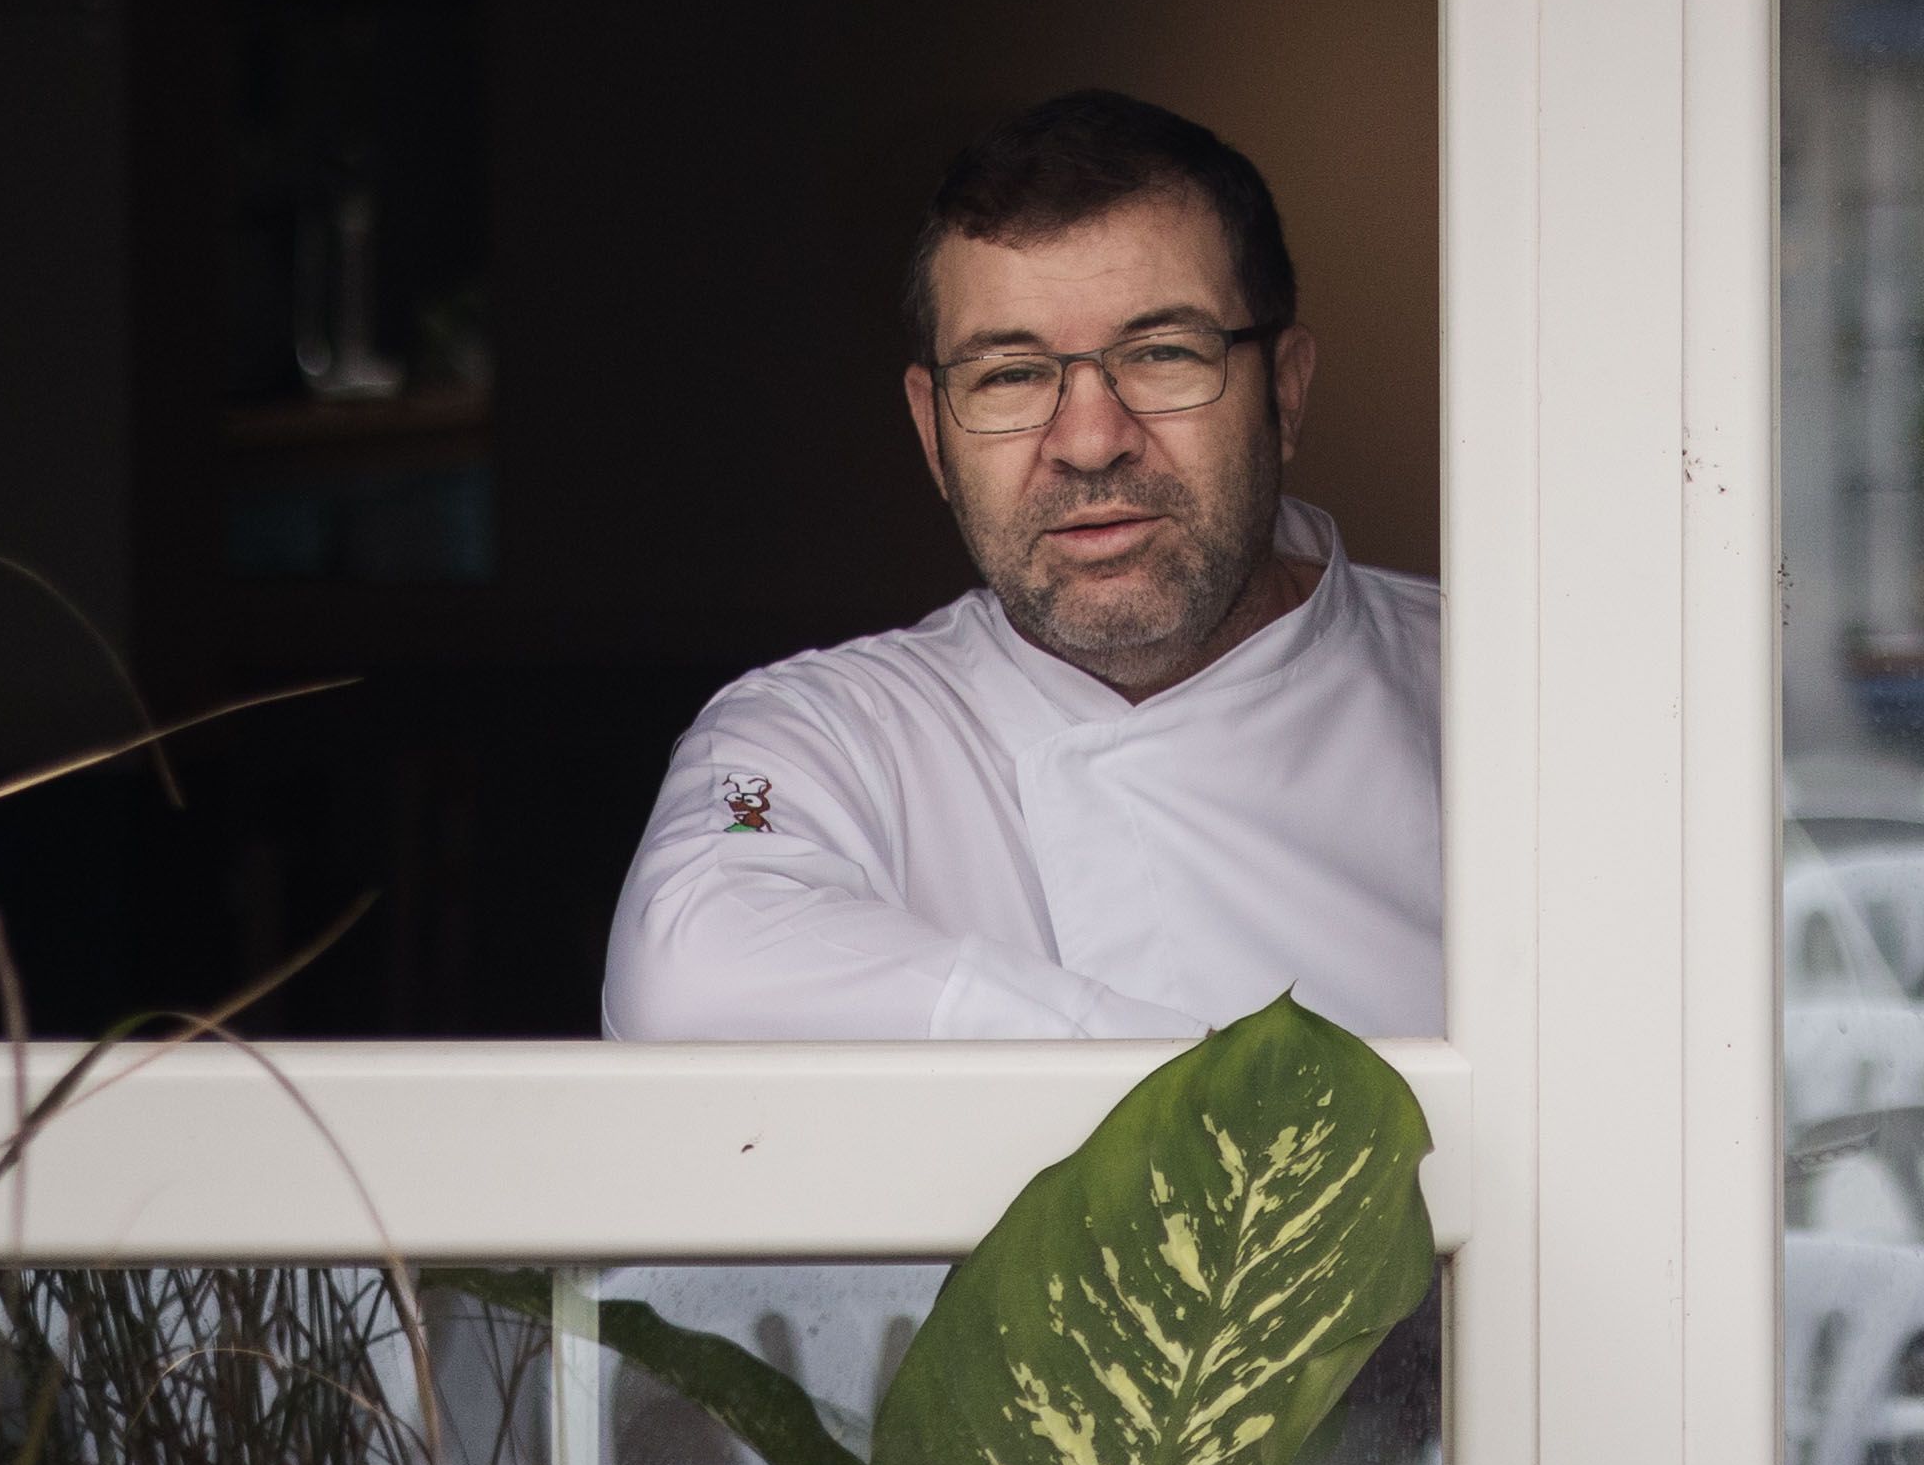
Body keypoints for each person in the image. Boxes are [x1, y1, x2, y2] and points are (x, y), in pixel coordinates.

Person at [604, 91, 1440, 1040]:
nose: (1089, 440)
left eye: (1163, 352)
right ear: (931, 430)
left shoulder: (1492, 690)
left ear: (1284, 392)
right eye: (1010, 373)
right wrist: (1200, 1088)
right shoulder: (809, 743)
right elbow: (699, 961)